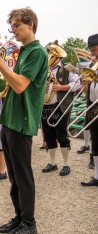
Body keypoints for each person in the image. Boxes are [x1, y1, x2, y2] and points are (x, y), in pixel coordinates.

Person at [0, 7, 48, 234]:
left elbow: (21, 85)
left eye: (16, 26)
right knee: (13, 176)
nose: (12, 31)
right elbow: (13, 84)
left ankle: (29, 223)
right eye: (11, 26)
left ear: (30, 23)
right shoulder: (23, 51)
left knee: (23, 176)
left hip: (21, 120)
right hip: (10, 117)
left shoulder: (36, 52)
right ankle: (19, 217)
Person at [41, 41, 80, 176]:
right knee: (48, 136)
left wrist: (62, 88)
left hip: (60, 106)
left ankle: (66, 164)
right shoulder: (43, 69)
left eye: (51, 54)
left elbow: (77, 84)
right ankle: (52, 163)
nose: (49, 57)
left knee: (61, 135)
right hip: (45, 106)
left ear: (58, 57)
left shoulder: (68, 68)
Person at [81, 33, 98, 186]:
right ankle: (97, 175)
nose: (92, 54)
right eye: (91, 50)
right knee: (96, 142)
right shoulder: (93, 66)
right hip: (93, 108)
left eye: (94, 50)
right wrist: (86, 84)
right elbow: (88, 91)